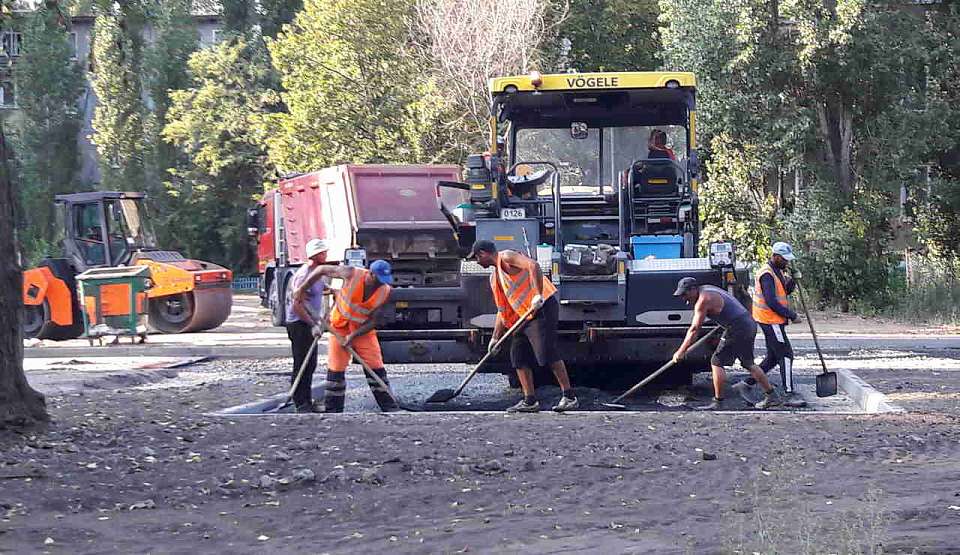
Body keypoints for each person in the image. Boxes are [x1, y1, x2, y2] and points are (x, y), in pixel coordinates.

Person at [468, 240, 579, 413]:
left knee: (546, 352)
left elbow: (533, 265)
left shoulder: (506, 256)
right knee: (517, 356)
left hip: (542, 306)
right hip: (524, 316)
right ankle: (530, 400)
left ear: (483, 253)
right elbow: (502, 310)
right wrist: (495, 337)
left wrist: (537, 295)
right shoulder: (495, 278)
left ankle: (569, 397)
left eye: (476, 258)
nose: (476, 262)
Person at [295, 259, 398, 413]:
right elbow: (321, 269)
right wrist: (303, 289)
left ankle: (389, 406)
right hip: (339, 328)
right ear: (370, 274)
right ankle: (333, 409)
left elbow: (375, 320)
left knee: (375, 365)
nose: (380, 284)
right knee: (336, 368)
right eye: (378, 280)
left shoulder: (385, 291)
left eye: (384, 281)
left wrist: (354, 336)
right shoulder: (351, 273)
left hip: (363, 331)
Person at [671, 277, 780, 410]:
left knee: (717, 361)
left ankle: (718, 402)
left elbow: (694, 329)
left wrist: (681, 351)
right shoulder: (706, 288)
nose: (684, 299)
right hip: (744, 324)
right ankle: (772, 396)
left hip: (738, 327)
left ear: (693, 290)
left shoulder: (703, 300)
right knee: (748, 363)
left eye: (685, 294)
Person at [733, 241, 807, 408]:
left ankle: (747, 383)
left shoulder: (777, 271)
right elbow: (772, 301)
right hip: (770, 320)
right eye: (784, 259)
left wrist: (793, 281)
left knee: (773, 357)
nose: (787, 262)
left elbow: (784, 291)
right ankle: (789, 394)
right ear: (775, 256)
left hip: (772, 319)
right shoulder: (767, 274)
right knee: (786, 355)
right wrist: (792, 315)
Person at [285, 238, 331, 413]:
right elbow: (297, 305)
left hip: (309, 322)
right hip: (299, 323)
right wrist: (313, 324)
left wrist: (331, 290)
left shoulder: (317, 273)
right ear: (316, 255)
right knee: (302, 363)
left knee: (310, 363)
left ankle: (307, 400)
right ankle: (300, 403)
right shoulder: (304, 275)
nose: (326, 254)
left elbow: (319, 288)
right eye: (323, 252)